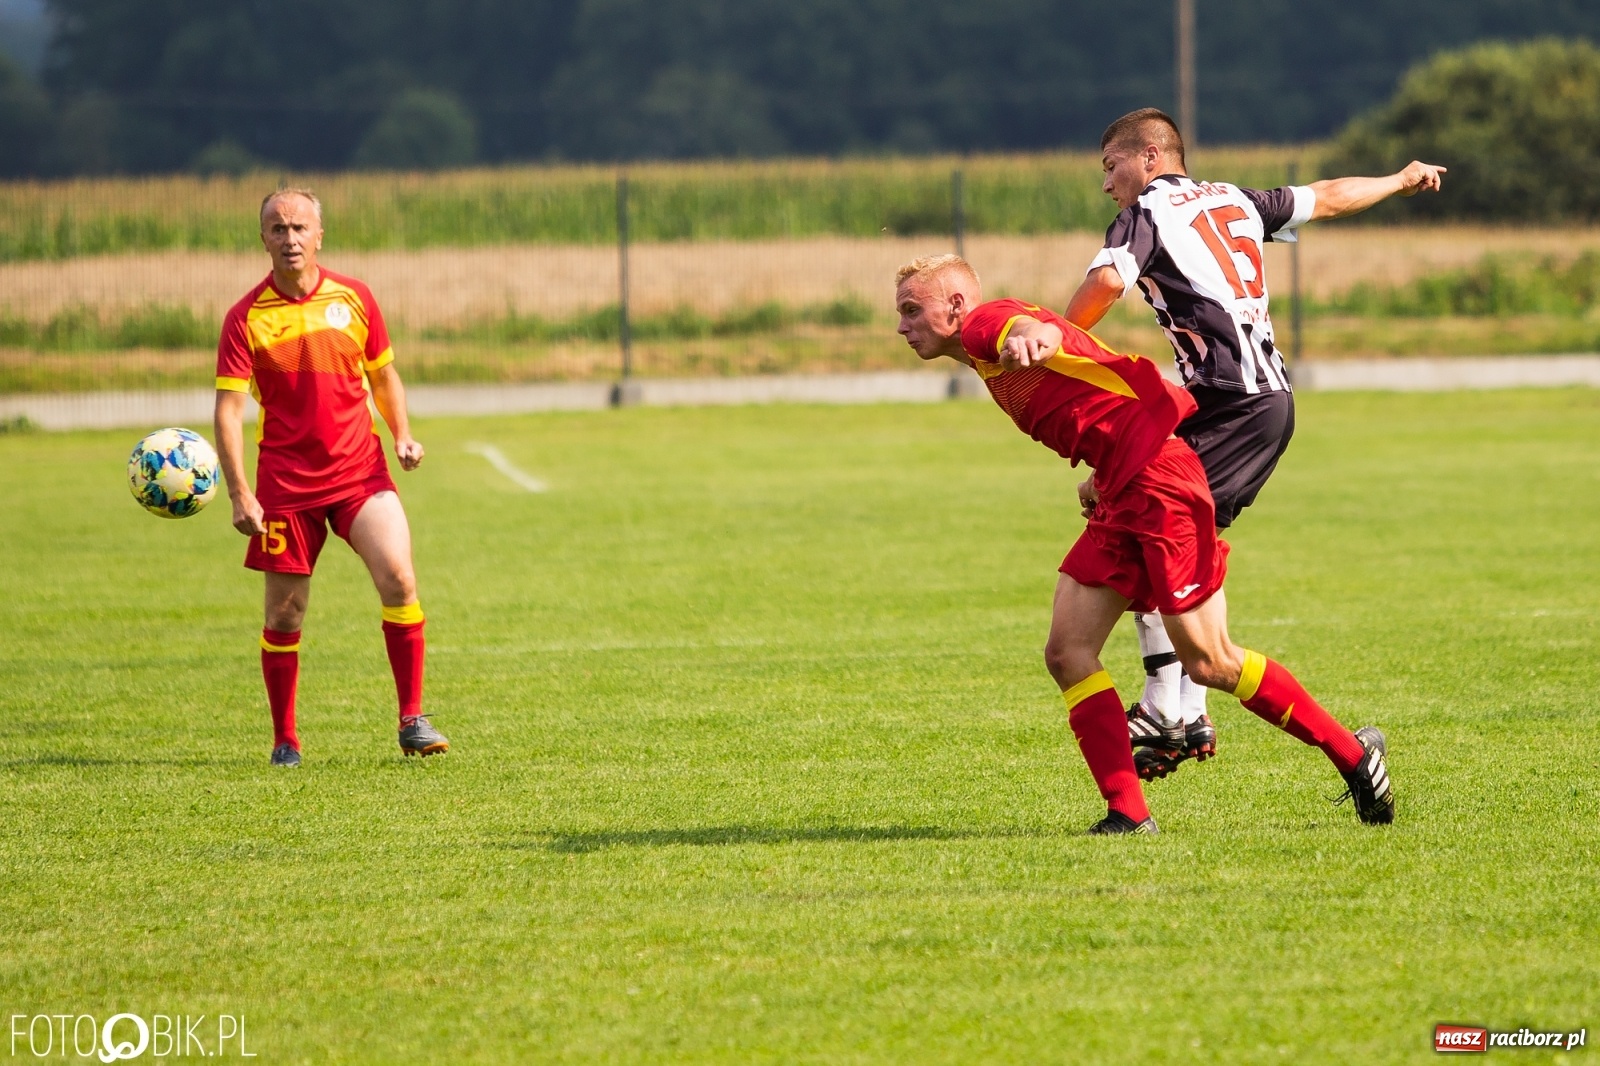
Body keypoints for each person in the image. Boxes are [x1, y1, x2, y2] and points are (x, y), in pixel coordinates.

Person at [894, 253, 1393, 833]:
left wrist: (1034, 337)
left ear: (955, 307)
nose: (902, 326)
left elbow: (1036, 329)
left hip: (1160, 485)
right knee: (1067, 652)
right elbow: (1092, 380)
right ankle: (1128, 815)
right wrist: (1101, 471)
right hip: (1124, 484)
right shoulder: (984, 351)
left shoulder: (986, 326)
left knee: (1210, 662)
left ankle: (1354, 757)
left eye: (912, 310)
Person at [1063, 108, 1444, 780]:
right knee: (1118, 507)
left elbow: (1103, 286)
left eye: (1109, 165)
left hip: (1232, 408)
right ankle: (1179, 708)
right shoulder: (1234, 198)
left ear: (1150, 155)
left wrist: (1054, 349)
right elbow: (1326, 196)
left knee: (1147, 527)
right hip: (1237, 406)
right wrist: (1398, 178)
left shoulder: (1147, 210)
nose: (1107, 184)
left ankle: (1175, 708)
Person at [214, 187, 448, 766]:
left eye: (299, 227)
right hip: (286, 487)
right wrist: (241, 492)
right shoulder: (246, 318)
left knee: (399, 578)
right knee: (284, 614)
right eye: (277, 228)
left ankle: (412, 719)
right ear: (262, 238)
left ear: (320, 234)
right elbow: (228, 410)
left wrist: (401, 435)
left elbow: (384, 376)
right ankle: (286, 739)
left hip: (358, 471)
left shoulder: (355, 297)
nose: (289, 238)